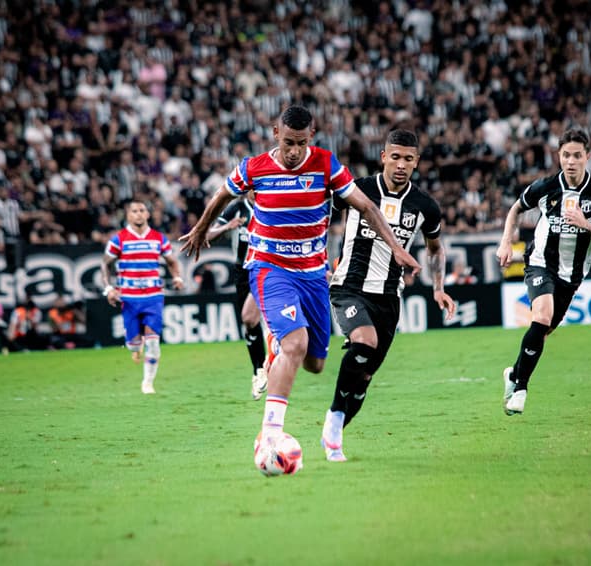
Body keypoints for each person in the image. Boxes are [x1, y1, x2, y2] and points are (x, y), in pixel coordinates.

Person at [179, 105, 421, 459]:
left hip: (312, 275)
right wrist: (201, 229)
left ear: (312, 137)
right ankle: (269, 436)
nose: (293, 152)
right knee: (295, 343)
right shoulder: (254, 168)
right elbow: (222, 195)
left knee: (314, 363)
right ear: (276, 134)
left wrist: (397, 248)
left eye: (301, 143)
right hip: (269, 267)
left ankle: (275, 349)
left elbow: (367, 206)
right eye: (288, 142)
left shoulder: (325, 164)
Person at [323, 129, 456, 462]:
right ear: (383, 156)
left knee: (364, 377)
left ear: (416, 162)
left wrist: (438, 286)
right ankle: (334, 418)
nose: (401, 164)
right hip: (349, 287)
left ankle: (338, 430)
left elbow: (435, 249)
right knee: (363, 342)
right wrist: (318, 261)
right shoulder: (358, 190)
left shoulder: (425, 205)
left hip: (388, 297)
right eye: (395, 157)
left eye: (408, 159)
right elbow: (322, 218)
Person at [496, 128, 591, 415]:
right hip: (540, 262)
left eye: (577, 155)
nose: (571, 161)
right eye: (566, 155)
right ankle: (520, 390)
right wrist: (505, 242)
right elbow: (515, 209)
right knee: (541, 315)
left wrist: (585, 223)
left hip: (572, 275)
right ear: (559, 157)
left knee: (544, 330)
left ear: (588, 157)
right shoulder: (546, 186)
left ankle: (513, 373)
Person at [101, 199, 185, 394]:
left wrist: (177, 277)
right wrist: (109, 289)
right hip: (129, 298)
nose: (138, 214)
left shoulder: (158, 238)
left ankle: (148, 382)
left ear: (148, 214)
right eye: (134, 211)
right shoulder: (119, 239)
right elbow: (105, 264)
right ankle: (136, 348)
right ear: (128, 215)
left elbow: (172, 261)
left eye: (142, 210)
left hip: (153, 297)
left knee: (154, 341)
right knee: (133, 344)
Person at [206, 192, 268, 400]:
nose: (254, 189)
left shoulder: (271, 204)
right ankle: (258, 369)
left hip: (268, 268)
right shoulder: (236, 209)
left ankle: (268, 366)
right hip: (243, 272)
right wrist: (227, 227)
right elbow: (208, 235)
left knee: (258, 318)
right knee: (248, 321)